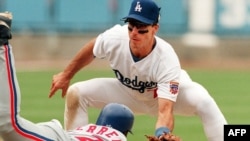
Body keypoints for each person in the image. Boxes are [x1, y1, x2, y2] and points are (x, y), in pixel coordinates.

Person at [49, 0, 227, 141]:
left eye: (141, 29)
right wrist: (66, 75)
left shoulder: (166, 58)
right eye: (131, 26)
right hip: (128, 94)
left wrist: (162, 132)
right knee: (77, 93)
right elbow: (93, 48)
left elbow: (165, 111)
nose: (134, 32)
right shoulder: (115, 37)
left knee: (204, 101)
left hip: (163, 98)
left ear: (155, 28)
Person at [0, 11, 134, 141]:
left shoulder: (89, 129)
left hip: (58, 134)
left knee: (10, 128)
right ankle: (2, 41)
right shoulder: (118, 137)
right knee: (9, 125)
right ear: (125, 131)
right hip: (60, 137)